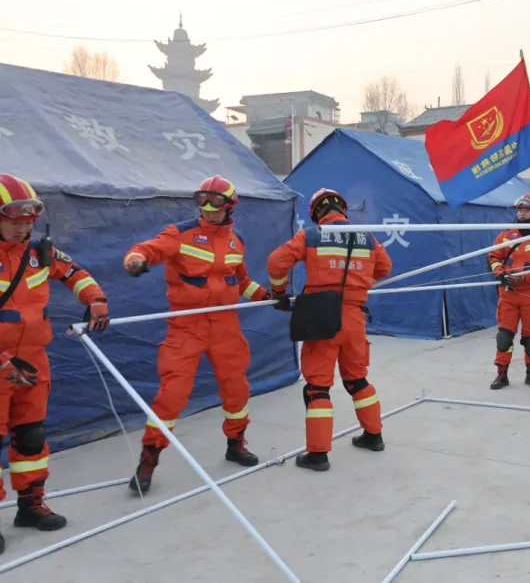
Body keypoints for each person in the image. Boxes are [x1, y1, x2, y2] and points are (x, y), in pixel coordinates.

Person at [122, 175, 274, 495]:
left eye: (216, 202)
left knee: (236, 390)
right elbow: (147, 249)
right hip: (186, 326)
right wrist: (135, 260)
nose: (208, 208)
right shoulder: (180, 234)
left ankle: (236, 443)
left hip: (225, 326)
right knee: (171, 394)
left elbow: (241, 281)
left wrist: (268, 296)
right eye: (202, 199)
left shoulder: (237, 241)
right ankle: (148, 459)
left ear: (231, 206)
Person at [0, 174, 110, 548]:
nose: (23, 227)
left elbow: (76, 273)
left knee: (31, 437)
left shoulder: (38, 253)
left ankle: (31, 505)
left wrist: (95, 300)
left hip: (33, 364)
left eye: (28, 220)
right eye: (14, 219)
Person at [267, 188, 392, 472]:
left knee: (317, 387)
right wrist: (359, 280)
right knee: (357, 380)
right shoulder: (368, 239)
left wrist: (279, 292)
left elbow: (276, 261)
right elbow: (385, 269)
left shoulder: (311, 236)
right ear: (343, 211)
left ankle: (318, 454)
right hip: (355, 319)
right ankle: (374, 436)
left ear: (316, 214)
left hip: (321, 319)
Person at [487, 193, 530, 389]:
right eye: (520, 210)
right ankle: (501, 374)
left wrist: (524, 276)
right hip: (508, 295)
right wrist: (500, 274)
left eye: (526, 210)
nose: (522, 213)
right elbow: (493, 257)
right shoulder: (507, 235)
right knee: (504, 337)